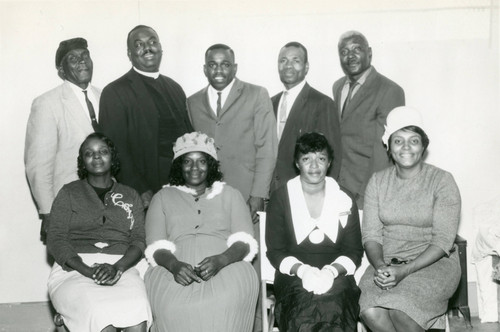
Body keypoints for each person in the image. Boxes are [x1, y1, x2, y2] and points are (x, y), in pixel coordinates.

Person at [358, 106, 461, 332]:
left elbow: (443, 240)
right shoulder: (377, 182)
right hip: (388, 263)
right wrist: (381, 266)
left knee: (401, 311)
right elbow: (371, 235)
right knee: (370, 310)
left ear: (423, 146)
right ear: (388, 145)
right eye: (398, 141)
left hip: (434, 265)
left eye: (413, 140)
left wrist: (405, 271)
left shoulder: (442, 181)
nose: (406, 147)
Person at [144, 132, 259, 332]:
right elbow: (155, 247)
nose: (195, 168)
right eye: (187, 161)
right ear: (179, 165)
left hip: (227, 264)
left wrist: (221, 260)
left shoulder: (231, 194)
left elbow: (245, 242)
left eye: (202, 161)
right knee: (173, 307)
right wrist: (174, 265)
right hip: (173, 267)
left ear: (211, 164)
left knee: (225, 302)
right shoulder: (162, 197)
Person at [47, 133, 152, 332]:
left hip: (123, 267)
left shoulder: (130, 195)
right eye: (89, 153)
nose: (96, 157)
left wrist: (117, 267)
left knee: (137, 314)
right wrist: (88, 270)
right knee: (100, 316)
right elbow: (56, 239)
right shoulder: (68, 193)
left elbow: (138, 240)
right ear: (82, 162)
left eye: (103, 152)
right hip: (74, 269)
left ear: (112, 158)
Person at [266, 132, 363, 331]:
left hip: (338, 276)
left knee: (334, 306)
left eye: (321, 159)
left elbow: (354, 251)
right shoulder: (281, 198)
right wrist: (303, 271)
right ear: (297, 163)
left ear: (329, 163)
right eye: (306, 159)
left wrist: (331, 271)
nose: (314, 166)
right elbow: (275, 251)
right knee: (303, 309)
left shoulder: (344, 198)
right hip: (293, 276)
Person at [99, 25, 193, 208]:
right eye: (139, 44)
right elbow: (115, 148)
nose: (148, 48)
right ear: (129, 53)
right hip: (146, 191)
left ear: (160, 47)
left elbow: (189, 136)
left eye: (152, 42)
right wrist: (139, 189)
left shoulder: (175, 87)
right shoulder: (115, 91)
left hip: (183, 186)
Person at [187, 43, 277, 222]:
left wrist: (258, 194)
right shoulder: (192, 102)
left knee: (247, 247)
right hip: (206, 197)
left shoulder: (257, 95)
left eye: (225, 64)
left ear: (234, 68)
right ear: (205, 69)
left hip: (246, 195)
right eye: (212, 65)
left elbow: (267, 149)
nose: (218, 70)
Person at [25, 37, 101, 239]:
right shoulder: (47, 104)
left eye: (85, 55)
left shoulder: (106, 96)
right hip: (70, 208)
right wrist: (48, 213)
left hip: (108, 207)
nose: (82, 61)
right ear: (61, 71)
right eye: (73, 59)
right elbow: (38, 165)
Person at [332, 31, 405, 209]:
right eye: (344, 51)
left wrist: (367, 196)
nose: (350, 56)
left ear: (369, 52)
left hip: (366, 191)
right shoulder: (337, 86)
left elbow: (383, 152)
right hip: (336, 188)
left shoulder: (390, 90)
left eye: (357, 49)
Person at [271, 42, 341, 192]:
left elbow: (332, 157)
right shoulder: (270, 103)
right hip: (272, 193)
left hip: (306, 192)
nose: (288, 66)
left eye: (295, 61)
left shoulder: (323, 103)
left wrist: (325, 196)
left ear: (306, 67)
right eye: (283, 61)